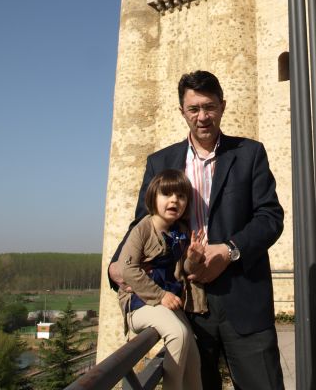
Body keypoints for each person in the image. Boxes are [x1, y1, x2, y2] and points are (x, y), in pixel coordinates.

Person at [110, 70, 285, 390]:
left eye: (209, 107)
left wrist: (229, 250)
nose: (202, 116)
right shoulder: (159, 163)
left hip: (243, 298)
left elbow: (270, 217)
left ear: (223, 106)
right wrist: (118, 263)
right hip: (185, 304)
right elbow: (143, 222)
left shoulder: (249, 154)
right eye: (194, 109)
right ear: (182, 112)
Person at [117, 169, 206, 390]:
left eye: (181, 196)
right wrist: (160, 295)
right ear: (153, 198)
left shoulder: (181, 232)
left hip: (168, 304)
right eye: (167, 194)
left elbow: (184, 268)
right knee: (178, 334)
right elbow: (126, 268)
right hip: (139, 304)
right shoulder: (143, 229)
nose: (174, 200)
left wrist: (193, 258)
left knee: (193, 357)